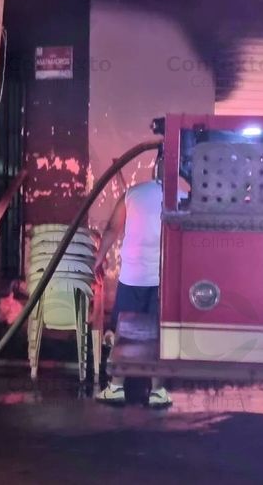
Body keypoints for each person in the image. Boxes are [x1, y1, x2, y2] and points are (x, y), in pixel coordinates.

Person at [94, 151, 173, 408]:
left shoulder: (134, 193)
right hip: (164, 279)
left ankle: (116, 387)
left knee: (125, 333)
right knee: (159, 336)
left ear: (154, 168)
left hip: (133, 276)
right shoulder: (181, 197)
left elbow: (111, 229)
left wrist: (99, 259)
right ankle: (157, 391)